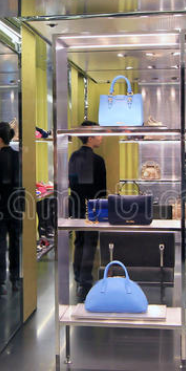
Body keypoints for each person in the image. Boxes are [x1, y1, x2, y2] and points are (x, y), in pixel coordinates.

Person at [68, 120, 107, 302]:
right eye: (98, 134)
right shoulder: (98, 160)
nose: (101, 137)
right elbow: (101, 190)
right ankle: (85, 282)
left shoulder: (73, 157)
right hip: (93, 206)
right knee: (90, 243)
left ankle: (78, 276)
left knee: (79, 240)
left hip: (76, 202)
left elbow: (72, 182)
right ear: (90, 137)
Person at [0, 121, 23, 297]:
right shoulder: (17, 156)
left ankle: (0, 283)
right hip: (15, 206)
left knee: (0, 245)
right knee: (15, 244)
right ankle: (15, 279)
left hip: (0, 207)